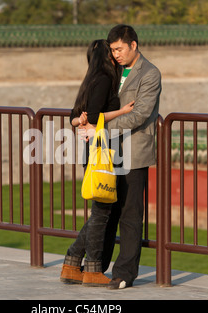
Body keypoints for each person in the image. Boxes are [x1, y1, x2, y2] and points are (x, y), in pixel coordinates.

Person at [80, 25, 162, 289]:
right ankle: (96, 268)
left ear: (133, 45)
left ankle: (125, 273)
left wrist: (100, 128)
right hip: (107, 152)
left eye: (119, 49)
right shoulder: (111, 70)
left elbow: (139, 115)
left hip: (134, 152)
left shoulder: (150, 74)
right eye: (112, 49)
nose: (115, 54)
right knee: (106, 209)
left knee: (129, 213)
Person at [60, 39, 134, 287]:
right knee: (101, 213)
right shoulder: (104, 79)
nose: (115, 57)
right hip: (100, 151)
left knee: (100, 212)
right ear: (106, 58)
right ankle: (91, 270)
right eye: (112, 54)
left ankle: (72, 264)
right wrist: (122, 112)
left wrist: (79, 122)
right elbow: (92, 117)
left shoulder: (89, 80)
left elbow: (74, 117)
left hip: (90, 150)